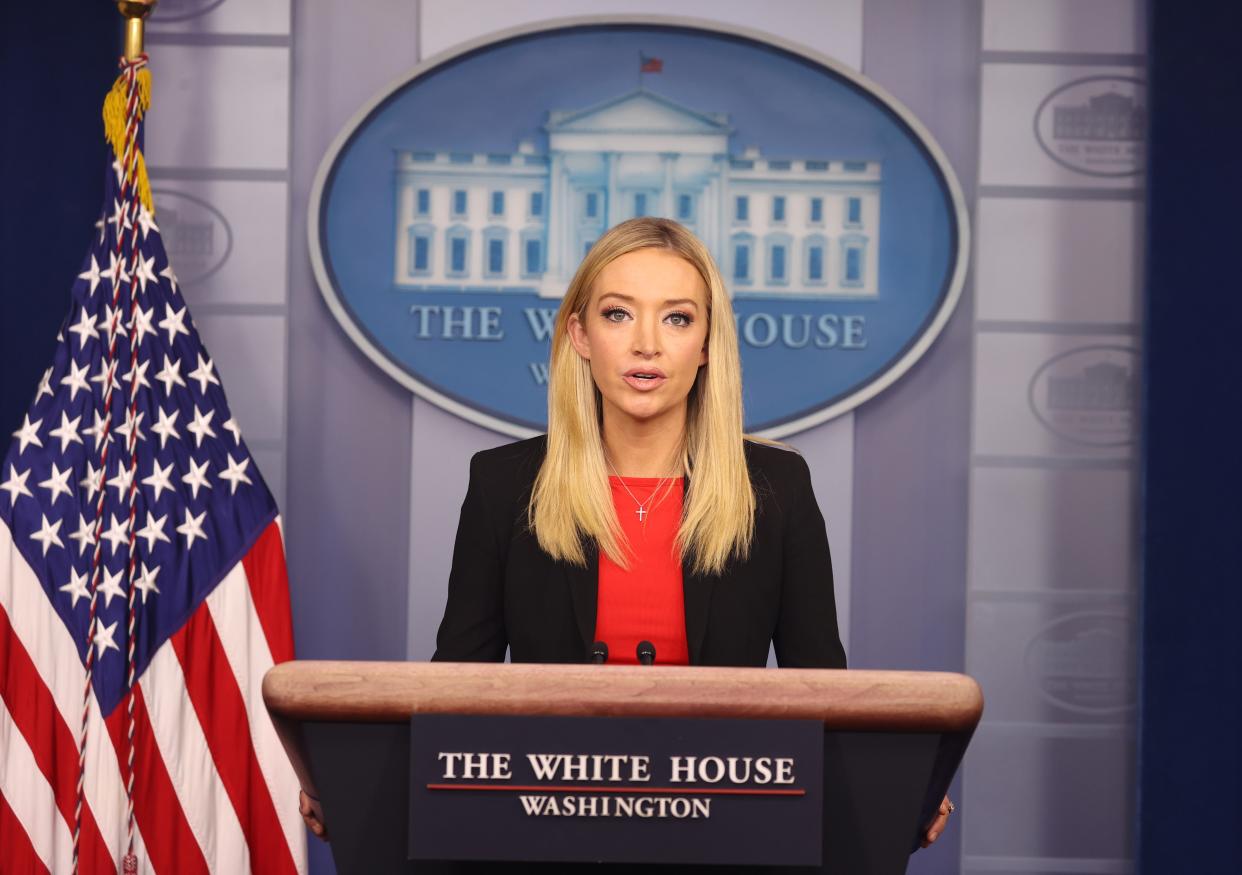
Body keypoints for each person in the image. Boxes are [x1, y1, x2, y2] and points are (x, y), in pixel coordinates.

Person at [299, 217, 953, 844]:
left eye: (677, 317)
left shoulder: (777, 489)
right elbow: (458, 684)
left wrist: (892, 787)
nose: (647, 342)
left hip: (727, 826)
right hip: (543, 821)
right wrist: (358, 784)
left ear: (706, 345)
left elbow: (821, 688)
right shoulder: (504, 484)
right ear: (580, 335)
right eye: (618, 313)